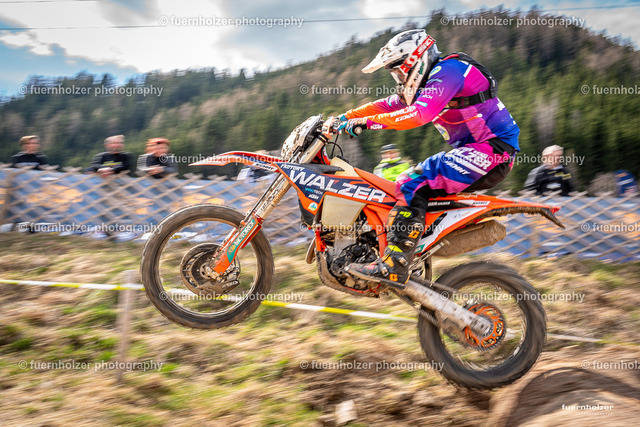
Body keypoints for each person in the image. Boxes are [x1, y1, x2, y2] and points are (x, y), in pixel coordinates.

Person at [334, 29, 519, 284]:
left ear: (415, 60)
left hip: (492, 150)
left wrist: (365, 123)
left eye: (399, 71)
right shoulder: (430, 81)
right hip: (479, 151)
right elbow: (390, 104)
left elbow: (418, 115)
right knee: (405, 186)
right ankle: (411, 253)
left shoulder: (449, 71)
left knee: (412, 181)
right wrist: (343, 118)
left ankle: (395, 264)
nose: (398, 78)